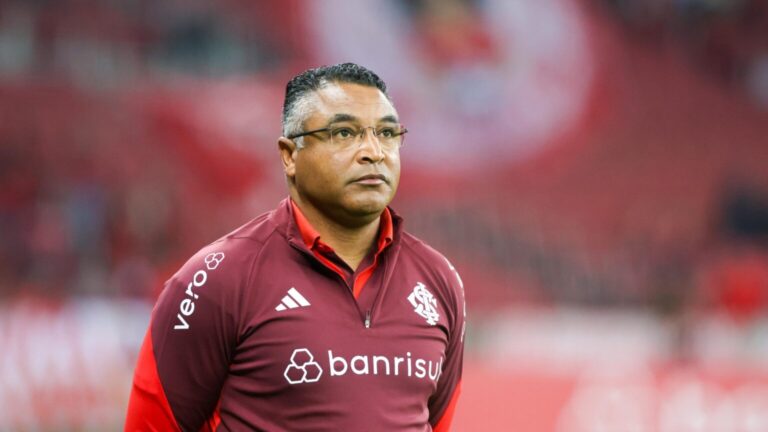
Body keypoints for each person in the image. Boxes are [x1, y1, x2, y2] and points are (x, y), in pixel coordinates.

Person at [125, 63, 466, 431]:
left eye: (386, 132)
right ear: (289, 155)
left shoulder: (438, 280)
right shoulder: (217, 278)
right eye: (344, 132)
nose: (373, 152)